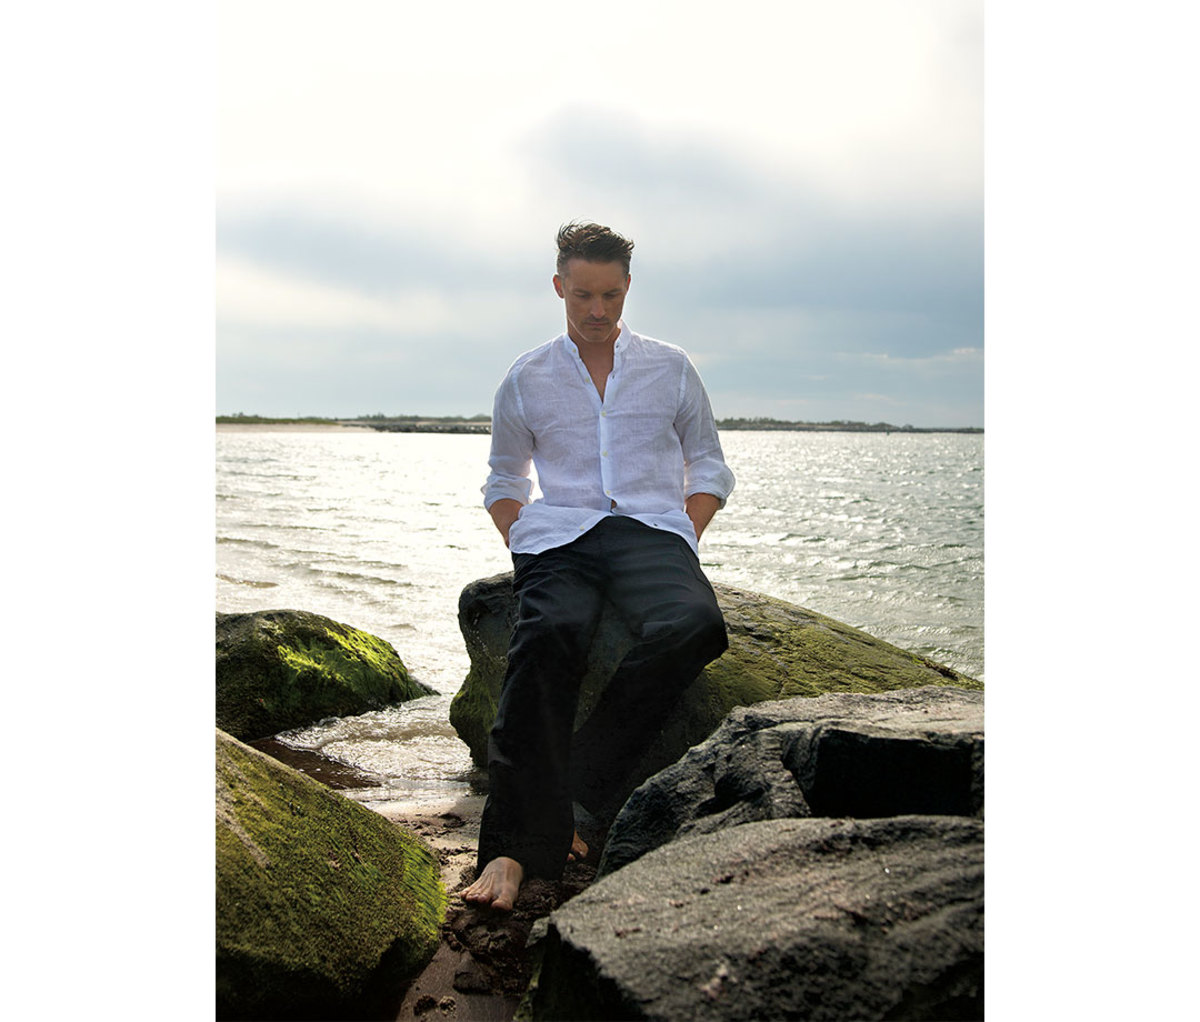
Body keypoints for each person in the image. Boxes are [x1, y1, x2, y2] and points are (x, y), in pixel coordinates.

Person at [461, 221, 735, 911]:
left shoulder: (670, 367)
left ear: (627, 289)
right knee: (547, 640)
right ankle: (509, 849)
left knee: (698, 624)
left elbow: (708, 464)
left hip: (652, 532)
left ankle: (578, 785)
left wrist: (685, 531)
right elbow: (503, 479)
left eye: (611, 295)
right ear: (559, 287)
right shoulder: (527, 376)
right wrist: (521, 538)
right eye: (583, 294)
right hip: (561, 537)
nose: (597, 311)